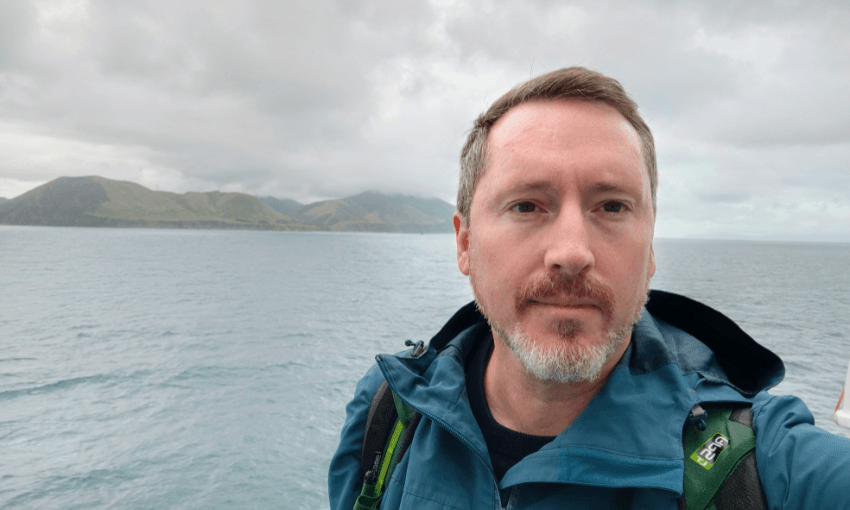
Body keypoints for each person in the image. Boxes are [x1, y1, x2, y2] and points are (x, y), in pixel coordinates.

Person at [328, 67, 850, 509]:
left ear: (650, 248)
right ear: (465, 242)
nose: (572, 252)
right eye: (527, 205)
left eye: (612, 206)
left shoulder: (757, 461)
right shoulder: (389, 413)